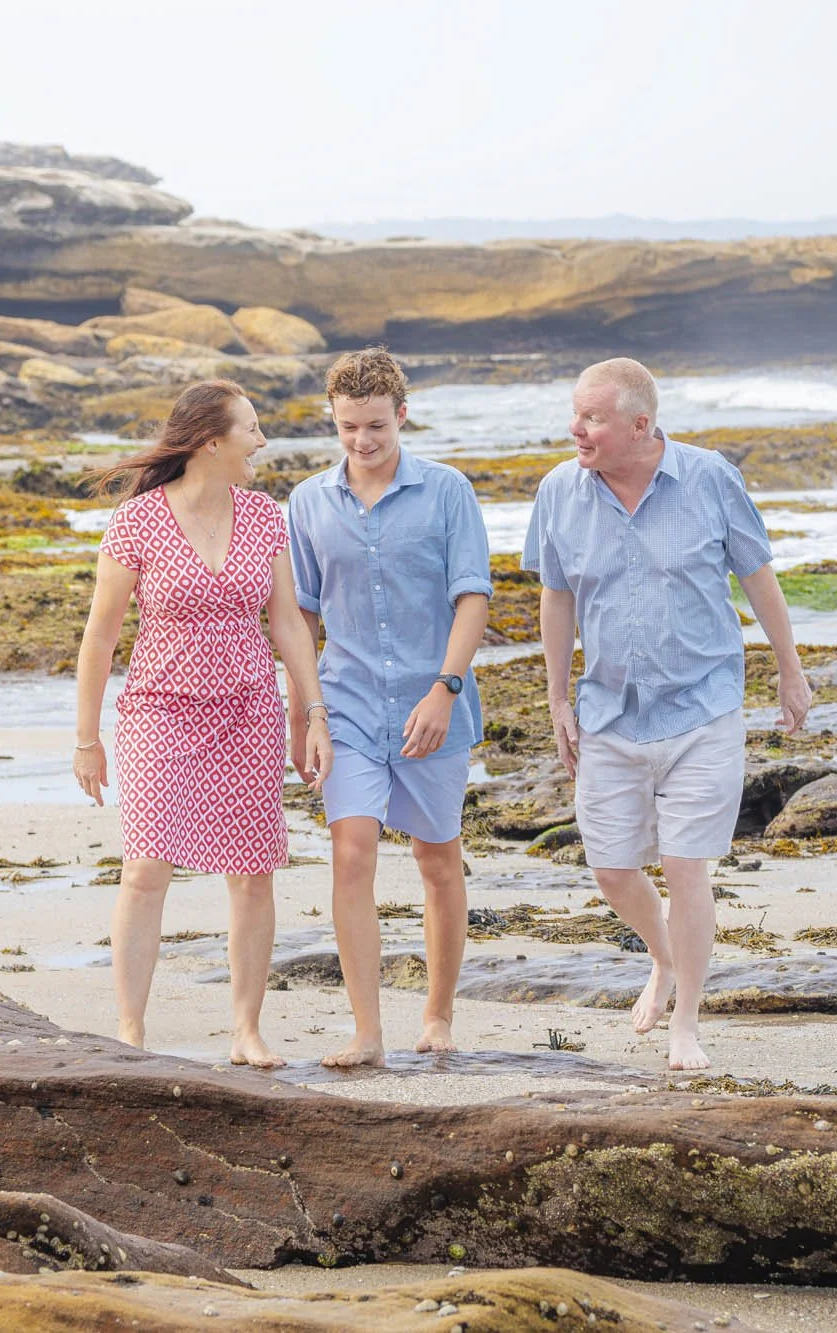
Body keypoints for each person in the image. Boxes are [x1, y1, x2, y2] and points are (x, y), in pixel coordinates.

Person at [525, 358, 812, 1071]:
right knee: (613, 869)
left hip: (703, 706)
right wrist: (558, 698)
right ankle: (663, 956)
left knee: (686, 864)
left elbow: (758, 576)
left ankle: (687, 1023)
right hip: (609, 713)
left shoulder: (710, 478)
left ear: (640, 425)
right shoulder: (560, 491)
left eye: (592, 417)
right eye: (576, 413)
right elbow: (556, 596)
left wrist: (790, 667)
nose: (576, 428)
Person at [73, 379, 333, 1069]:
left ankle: (246, 1030)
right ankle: (130, 1027)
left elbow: (287, 625)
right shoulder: (137, 522)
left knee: (252, 873)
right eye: (252, 428)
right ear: (212, 442)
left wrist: (313, 713)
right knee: (146, 866)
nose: (262, 441)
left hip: (249, 712)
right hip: (160, 709)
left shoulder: (263, 516)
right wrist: (86, 737)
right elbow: (99, 638)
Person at [288, 348, 492, 1067]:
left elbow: (473, 596)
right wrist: (302, 710)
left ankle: (437, 1014)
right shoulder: (308, 501)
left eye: (375, 425)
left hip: (430, 704)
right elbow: (301, 616)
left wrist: (446, 687)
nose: (362, 441)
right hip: (343, 703)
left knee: (438, 859)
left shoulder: (447, 492)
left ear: (402, 415)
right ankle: (366, 1030)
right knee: (351, 851)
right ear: (333, 419)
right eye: (347, 427)